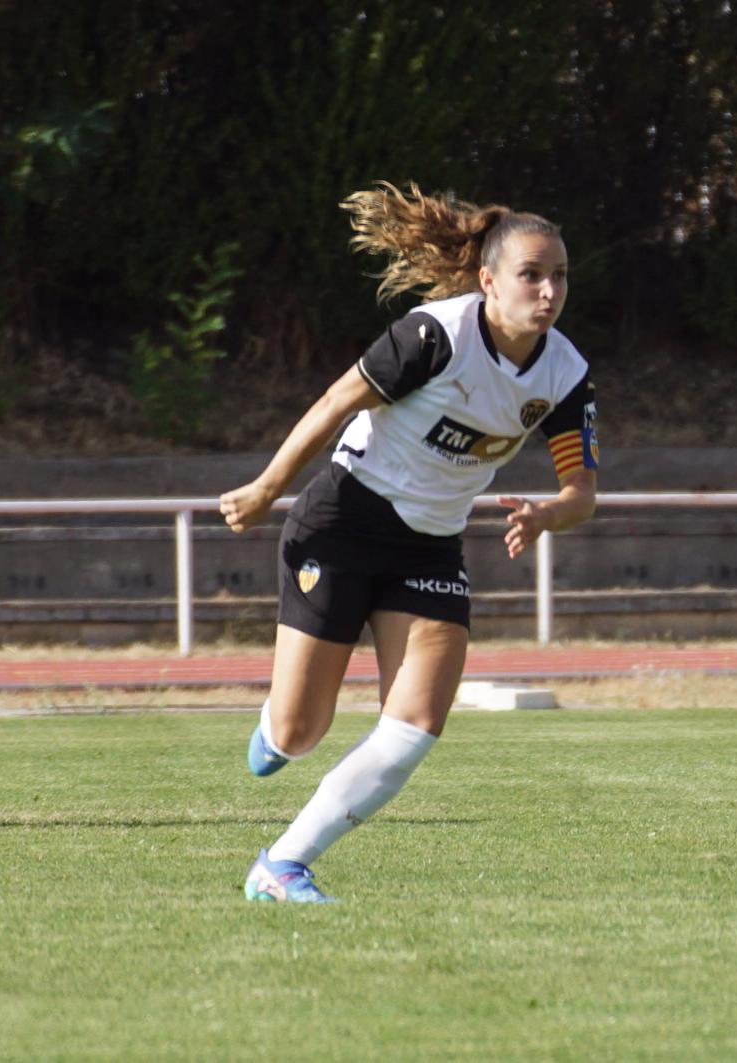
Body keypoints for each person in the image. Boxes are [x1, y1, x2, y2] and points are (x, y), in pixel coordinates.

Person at [220, 182, 599, 902]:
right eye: (531, 275)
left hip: (430, 548)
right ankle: (278, 729)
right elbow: (337, 401)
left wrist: (550, 514)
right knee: (303, 730)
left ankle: (283, 864)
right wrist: (269, 486)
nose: (548, 291)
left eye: (560, 276)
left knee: (418, 723)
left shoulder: (565, 372)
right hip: (345, 522)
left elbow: (582, 492)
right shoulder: (437, 335)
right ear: (488, 281)